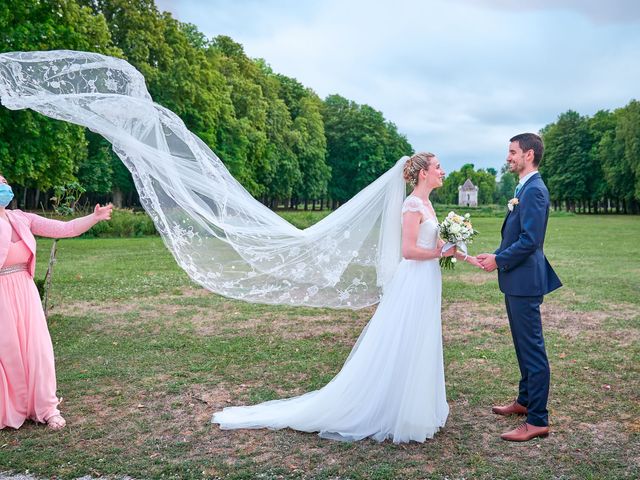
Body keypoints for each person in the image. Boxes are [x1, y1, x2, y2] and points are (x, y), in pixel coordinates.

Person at [212, 152, 482, 443]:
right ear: (423, 173)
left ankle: (415, 407)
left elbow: (438, 243)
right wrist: (438, 253)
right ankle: (391, 409)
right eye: (438, 167)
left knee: (421, 339)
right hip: (414, 280)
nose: (443, 171)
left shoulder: (427, 203)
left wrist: (466, 256)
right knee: (405, 338)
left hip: (427, 280)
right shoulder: (412, 204)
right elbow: (408, 251)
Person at [0, 174, 112, 430]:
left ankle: (46, 408)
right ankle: (10, 409)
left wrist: (92, 218)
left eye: (4, 182)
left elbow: (64, 228)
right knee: (7, 353)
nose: (3, 186)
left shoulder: (22, 218)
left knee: (37, 350)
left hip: (26, 293)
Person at [478, 133, 562, 442]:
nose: (508, 157)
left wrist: (498, 260)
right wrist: (497, 256)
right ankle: (525, 401)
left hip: (524, 280)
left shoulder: (535, 191)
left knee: (532, 349)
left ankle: (538, 419)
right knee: (522, 346)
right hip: (517, 280)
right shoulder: (523, 188)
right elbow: (518, 237)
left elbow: (530, 241)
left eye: (512, 152)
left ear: (528, 155)